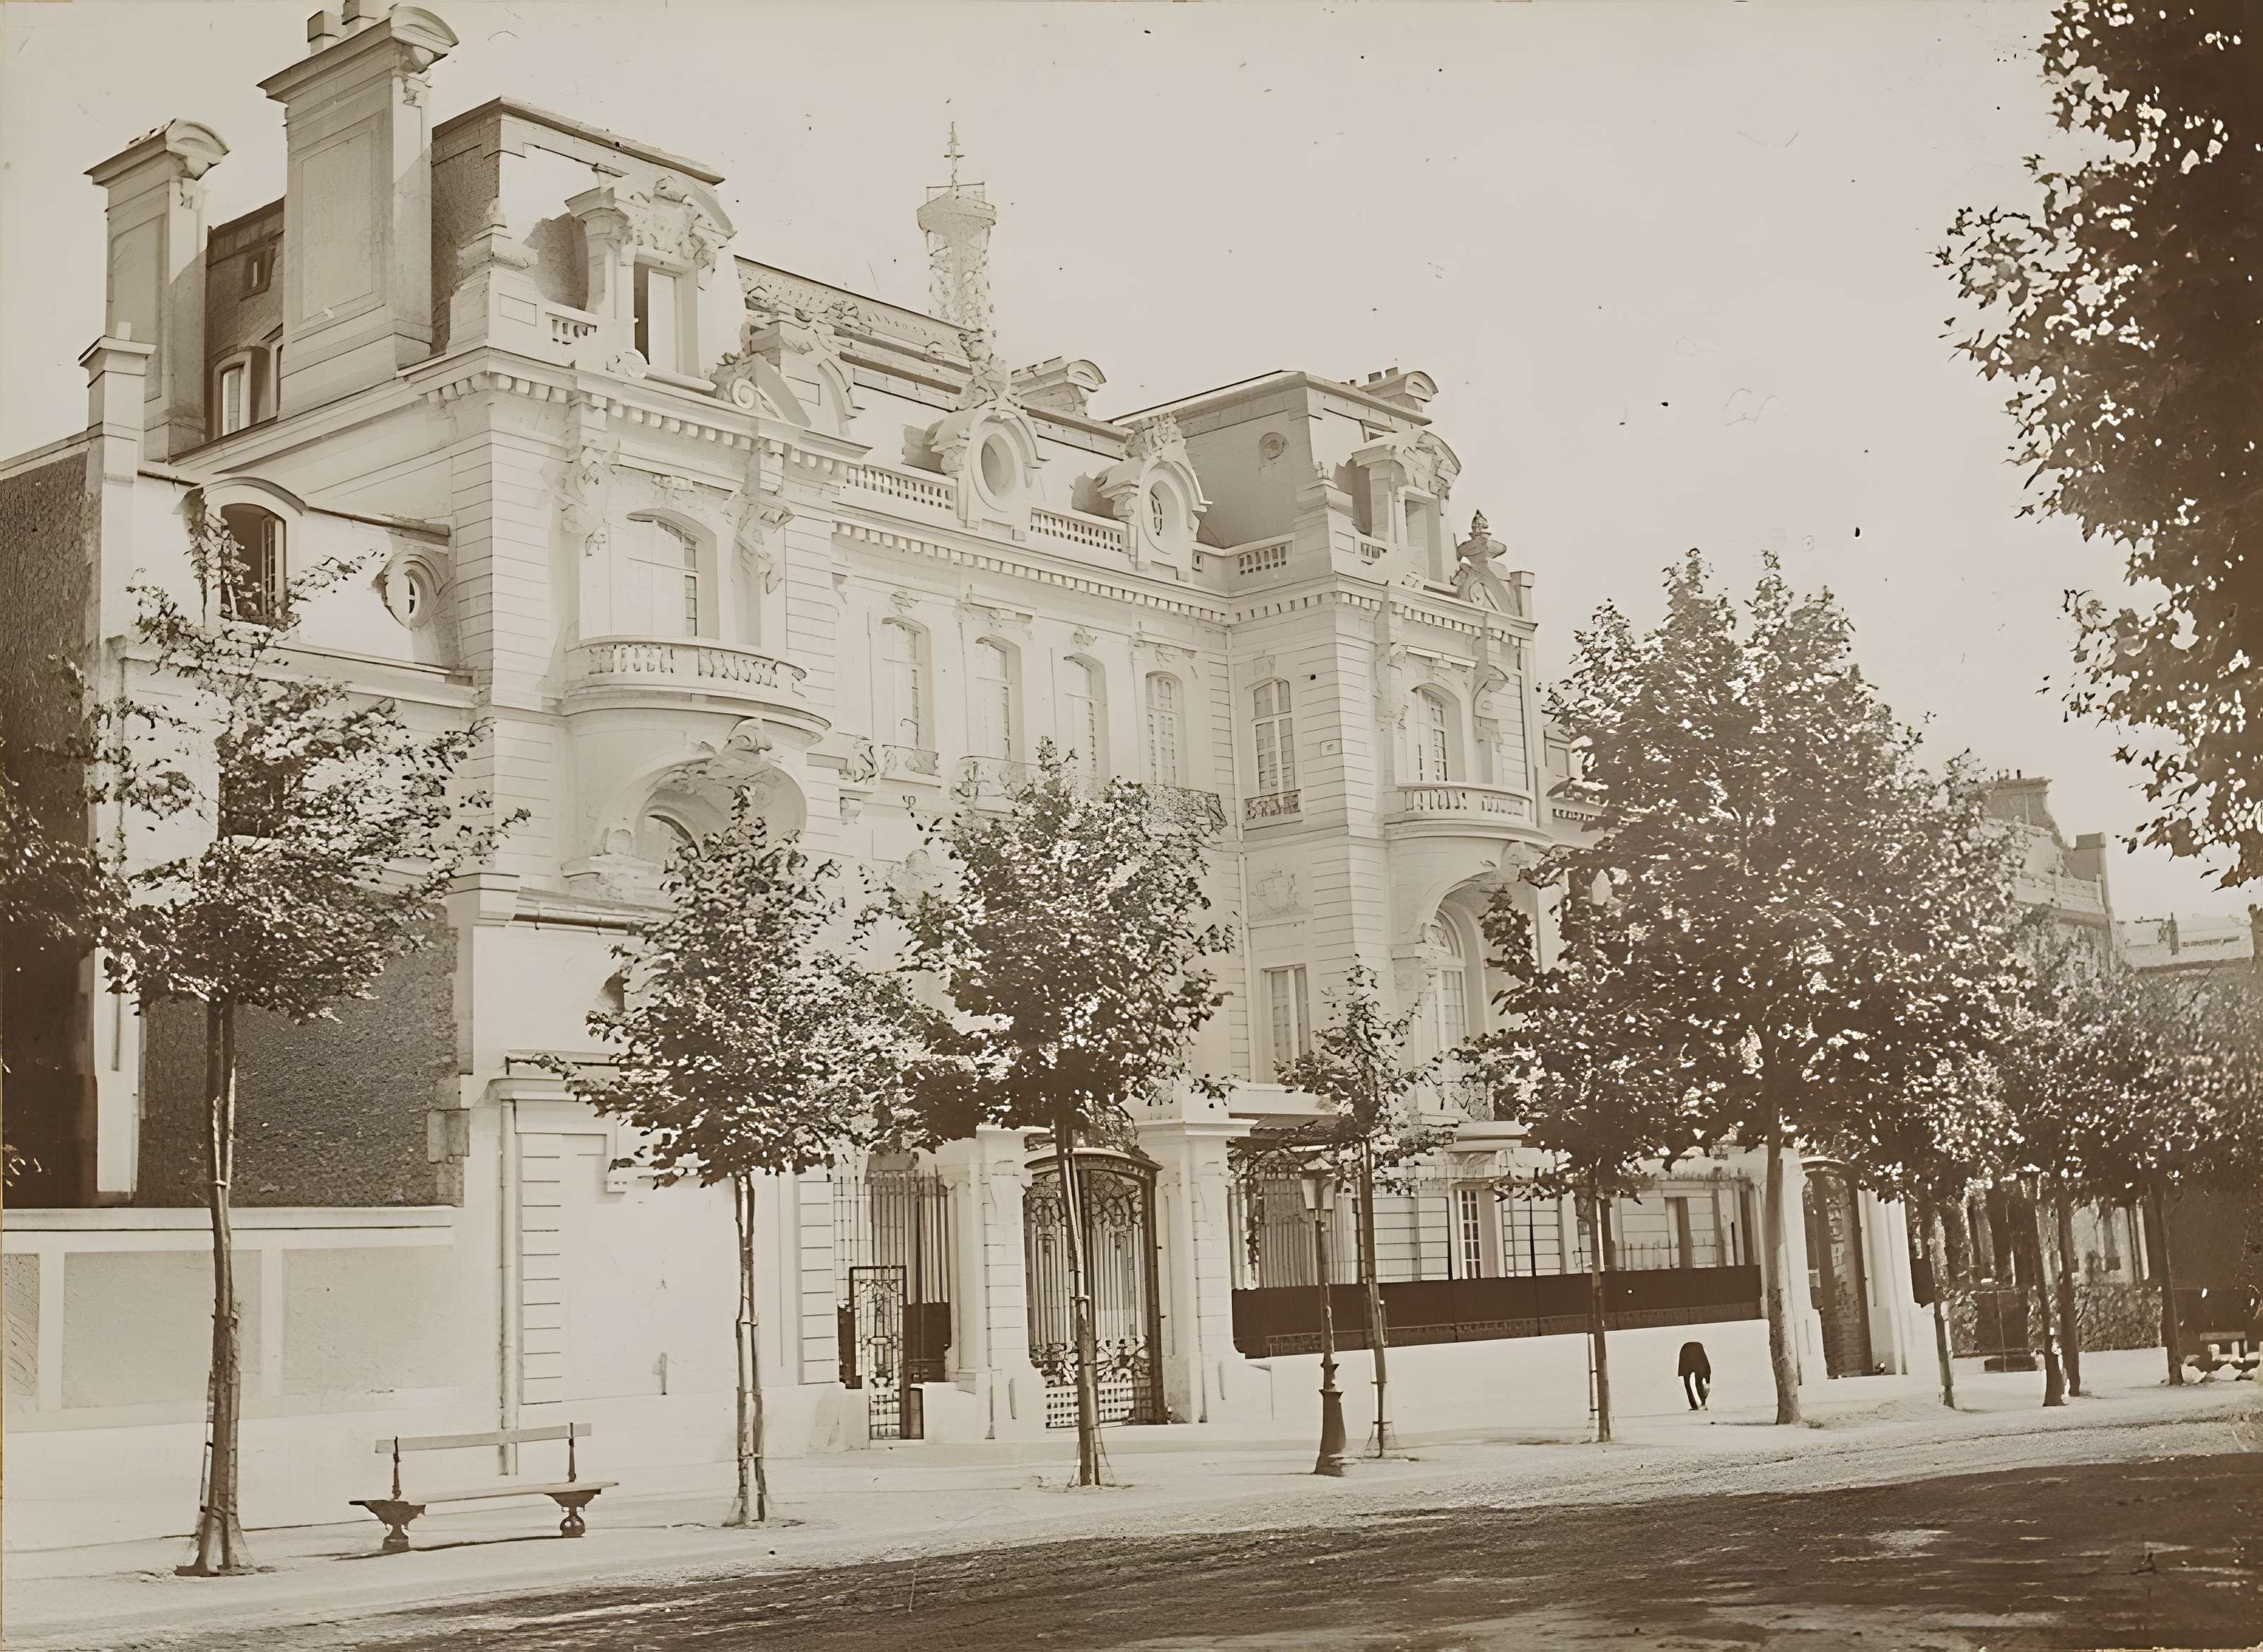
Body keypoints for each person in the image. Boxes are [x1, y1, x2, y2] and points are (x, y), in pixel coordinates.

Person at [1678, 1340, 1711, 1410]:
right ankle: (1700, 1404)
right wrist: (1707, 1381)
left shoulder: (1694, 1348)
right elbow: (1706, 1366)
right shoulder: (1698, 1348)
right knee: (1696, 1381)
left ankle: (1696, 1405)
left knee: (1689, 1382)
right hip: (1693, 1354)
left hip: (1687, 1353)